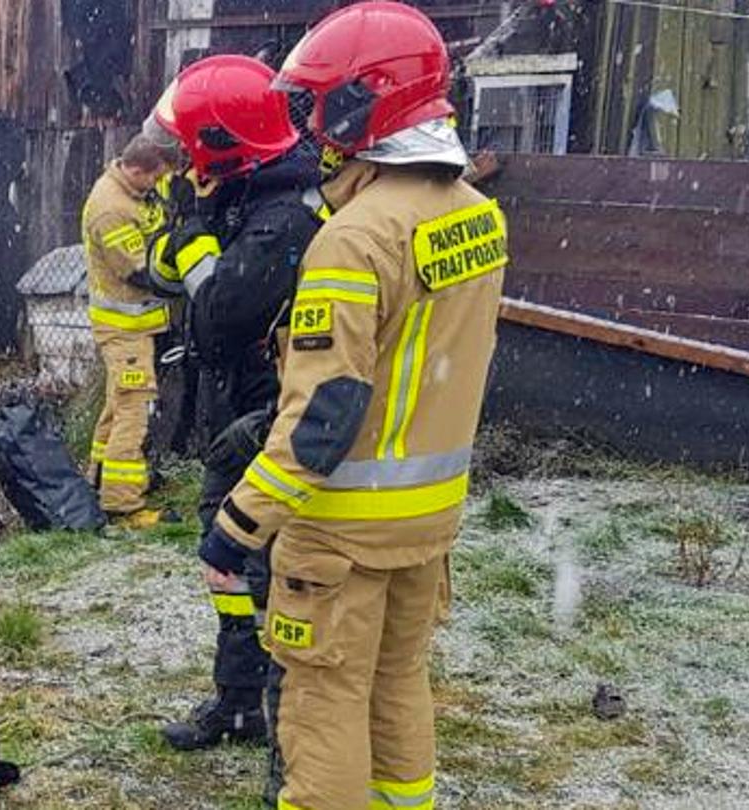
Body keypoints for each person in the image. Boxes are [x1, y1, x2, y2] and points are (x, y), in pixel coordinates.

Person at [200, 5, 508, 807]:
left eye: (322, 104)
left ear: (361, 104)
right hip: (429, 519)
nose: (315, 129)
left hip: (341, 526)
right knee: (398, 683)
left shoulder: (355, 238)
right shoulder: (478, 215)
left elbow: (324, 413)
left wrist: (237, 526)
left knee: (322, 705)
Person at [140, 55, 330, 759]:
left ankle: (285, 723)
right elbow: (158, 272)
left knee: (261, 567)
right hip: (234, 416)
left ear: (224, 145)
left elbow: (220, 315)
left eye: (193, 146)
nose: (184, 160)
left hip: (267, 419)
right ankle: (241, 697)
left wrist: (193, 249)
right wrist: (186, 235)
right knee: (226, 567)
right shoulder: (240, 194)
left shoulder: (285, 217)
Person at [79, 132, 177, 526]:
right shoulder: (111, 209)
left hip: (132, 326)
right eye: (152, 179)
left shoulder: (130, 192)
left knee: (116, 405)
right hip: (125, 328)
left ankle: (98, 479)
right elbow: (139, 272)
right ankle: (123, 504)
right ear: (136, 169)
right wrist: (184, 277)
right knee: (134, 409)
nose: (155, 186)